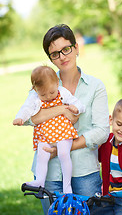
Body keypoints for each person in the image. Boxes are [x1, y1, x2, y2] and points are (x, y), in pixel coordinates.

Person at [22, 24, 110, 214]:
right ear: (50, 58)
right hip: (49, 173)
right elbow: (30, 117)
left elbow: (102, 131)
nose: (62, 56)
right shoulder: (44, 82)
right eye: (55, 53)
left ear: (76, 48)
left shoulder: (95, 86)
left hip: (85, 172)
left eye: (66, 49)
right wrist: (62, 109)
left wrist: (62, 148)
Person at [13, 65, 85, 193]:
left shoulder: (62, 92)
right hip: (44, 134)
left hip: (63, 131)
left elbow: (77, 102)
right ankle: (40, 181)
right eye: (43, 94)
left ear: (57, 83)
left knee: (64, 154)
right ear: (35, 90)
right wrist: (20, 118)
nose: (49, 97)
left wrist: (76, 108)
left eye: (52, 92)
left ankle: (67, 186)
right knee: (42, 154)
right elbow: (26, 108)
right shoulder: (34, 97)